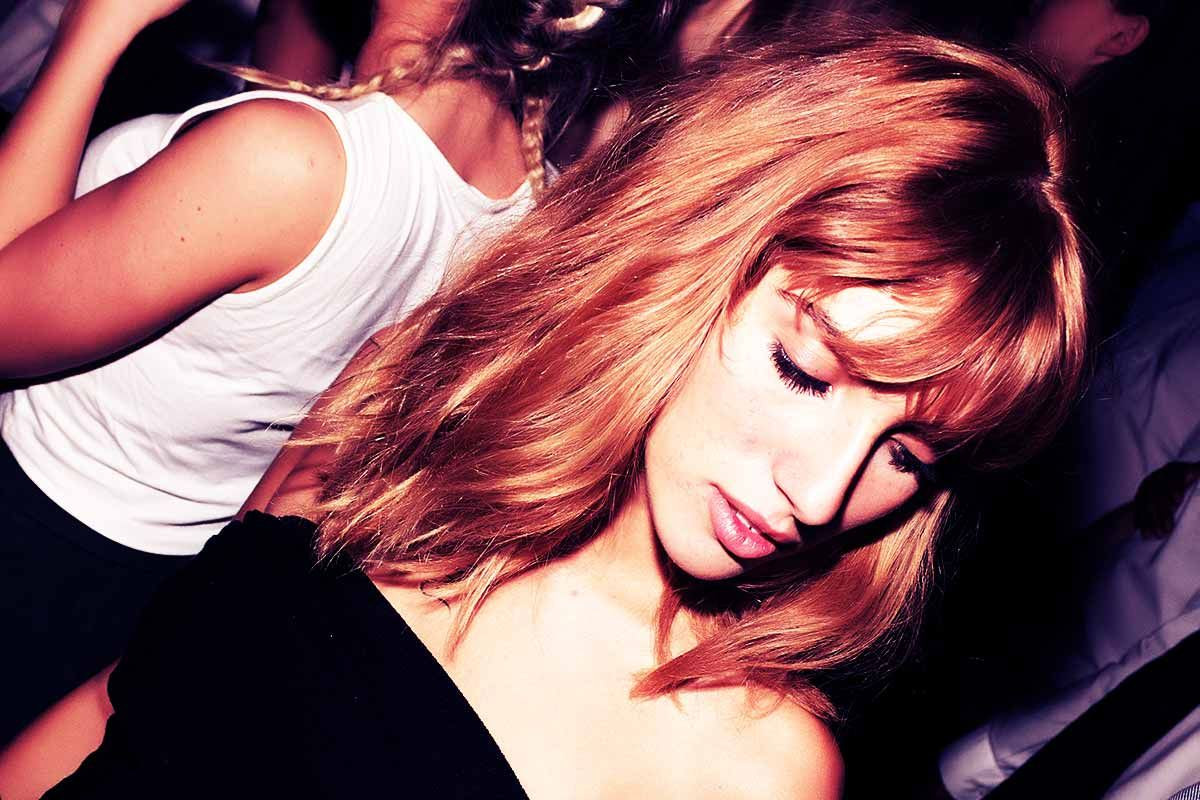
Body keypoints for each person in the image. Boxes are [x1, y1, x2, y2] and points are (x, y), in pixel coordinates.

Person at [8, 24, 1089, 797]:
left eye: (910, 454)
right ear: (681, 257)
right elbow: (126, 703)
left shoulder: (754, 771)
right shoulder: (400, 410)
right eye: (804, 371)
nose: (820, 495)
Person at [0, 0, 638, 746]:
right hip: (147, 584)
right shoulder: (534, 226)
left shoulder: (285, 160)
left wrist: (94, 30)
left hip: (29, 530)